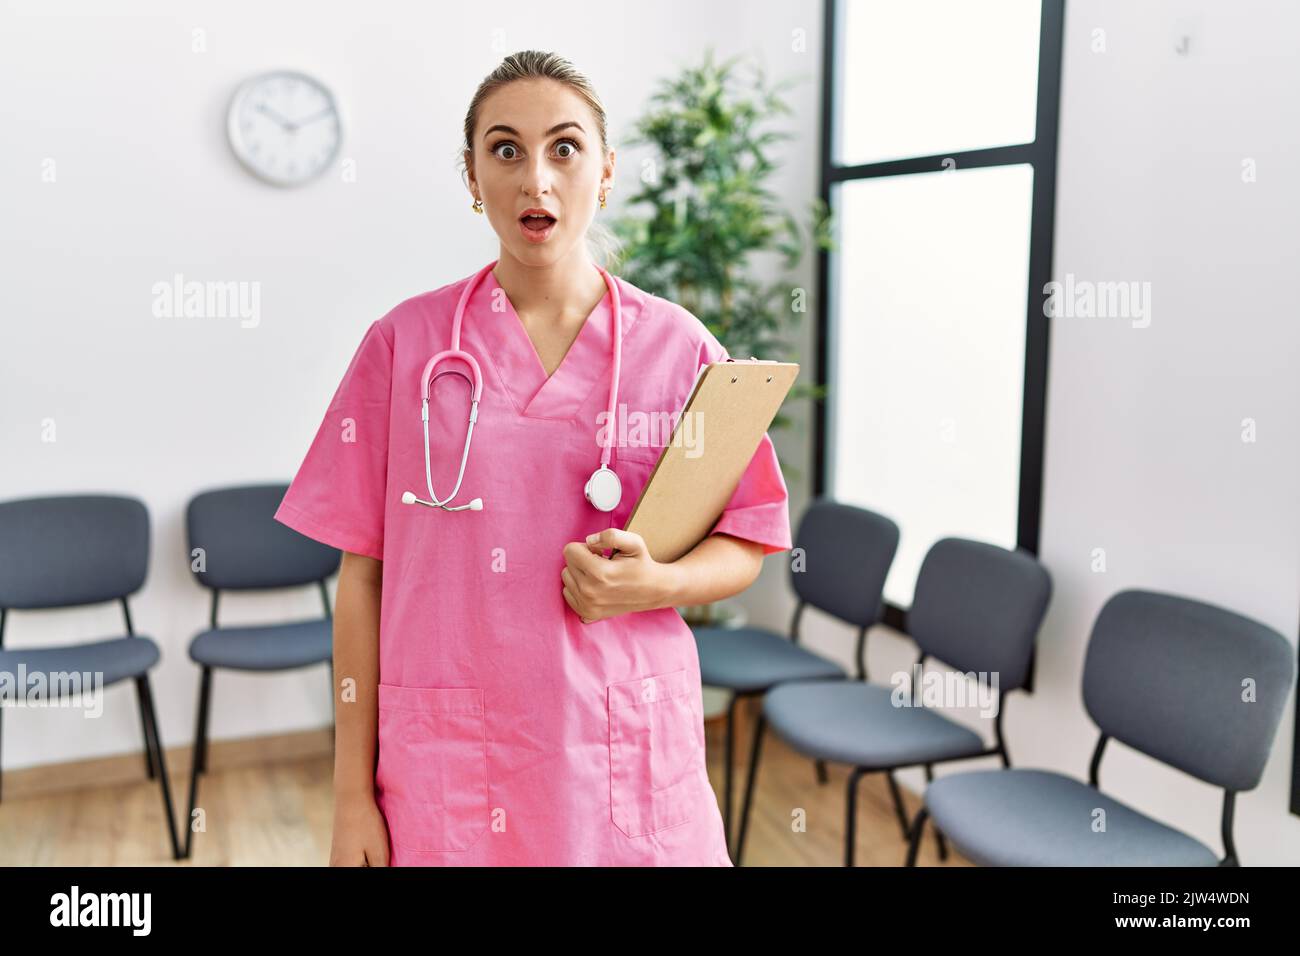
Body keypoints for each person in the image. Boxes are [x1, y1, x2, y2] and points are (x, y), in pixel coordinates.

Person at [274, 50, 792, 866]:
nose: (535, 179)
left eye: (565, 147)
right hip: (449, 765)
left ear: (606, 170)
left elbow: (748, 541)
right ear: (473, 177)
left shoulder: (681, 349)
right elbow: (363, 580)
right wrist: (349, 794)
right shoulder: (404, 346)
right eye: (505, 149)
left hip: (620, 755)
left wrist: (662, 584)